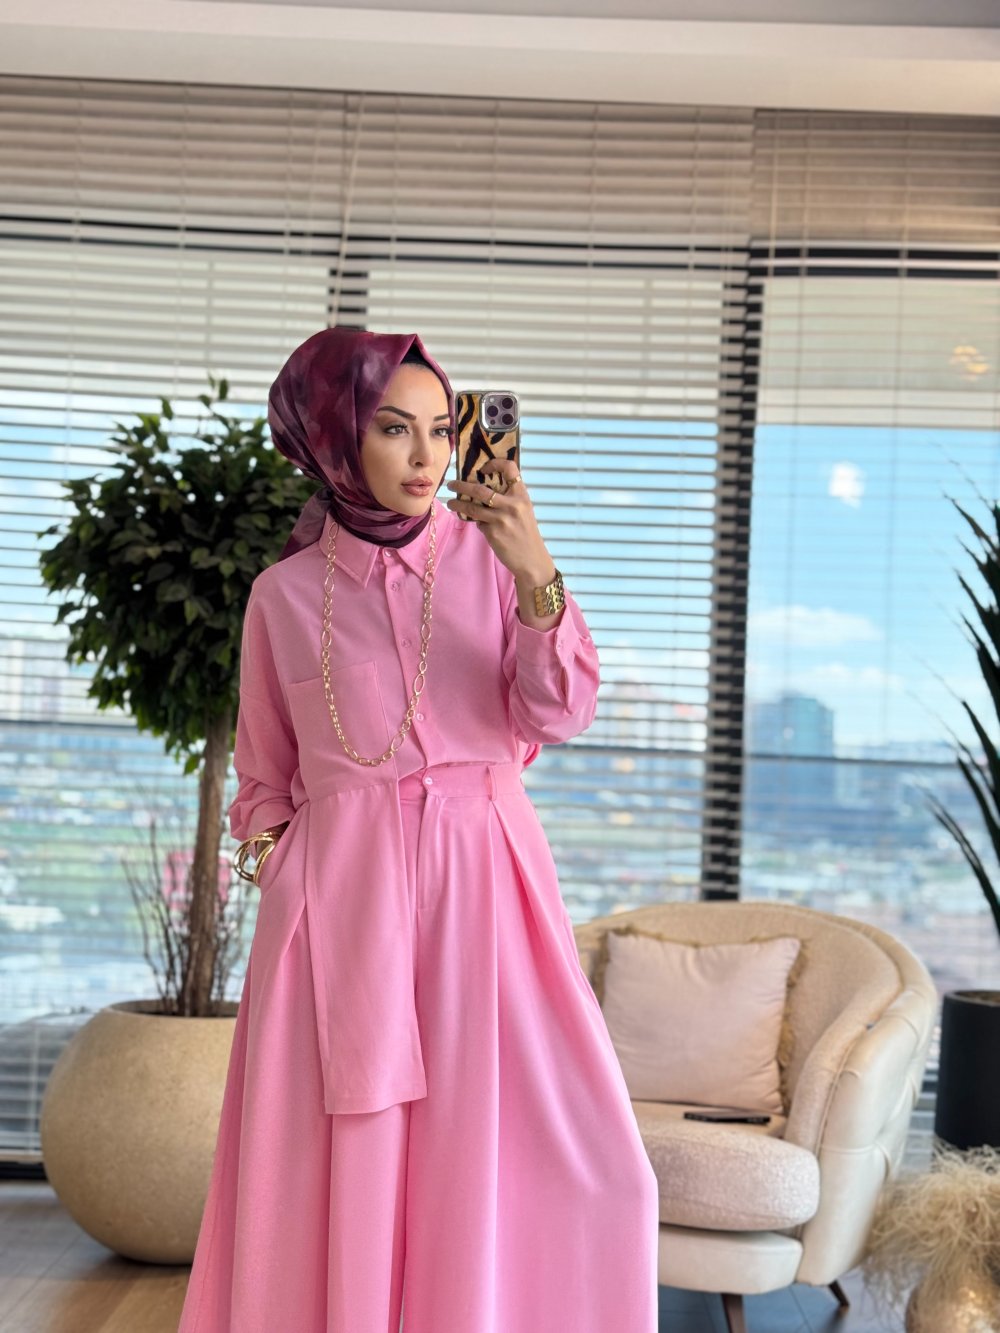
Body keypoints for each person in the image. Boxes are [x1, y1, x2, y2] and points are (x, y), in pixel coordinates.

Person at [177, 326, 660, 1333]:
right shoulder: (281, 598)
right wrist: (289, 877)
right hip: (340, 914)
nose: (426, 455)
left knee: (589, 1163)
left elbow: (560, 710)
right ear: (332, 435)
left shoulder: (493, 562)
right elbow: (262, 782)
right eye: (393, 428)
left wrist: (535, 568)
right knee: (350, 1166)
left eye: (441, 429)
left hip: (488, 893)